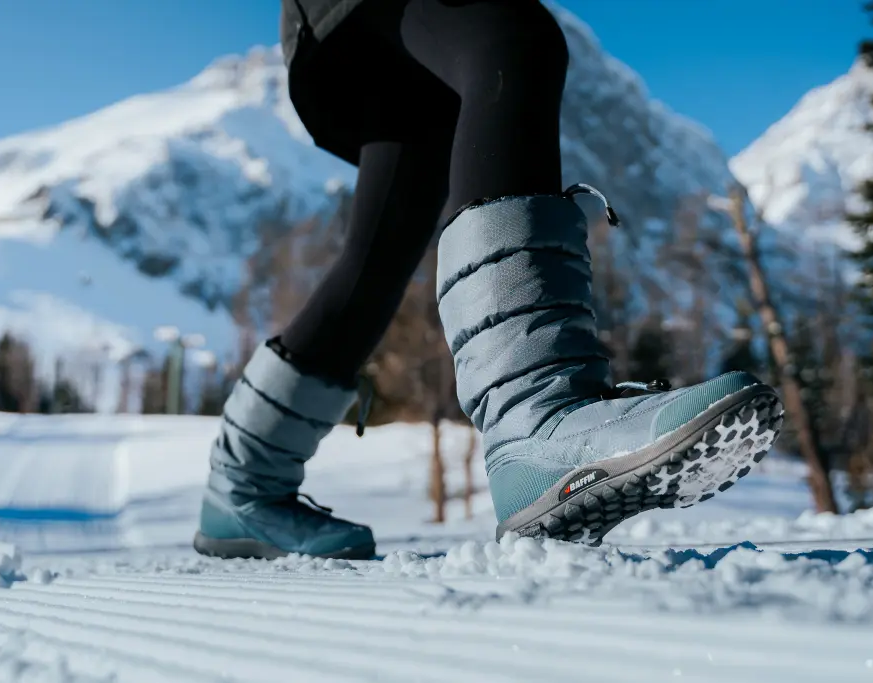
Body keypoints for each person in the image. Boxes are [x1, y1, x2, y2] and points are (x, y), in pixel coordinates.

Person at [193, 0, 784, 560]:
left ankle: (241, 489)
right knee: (512, 42)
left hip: (343, 38)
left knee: (377, 255)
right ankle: (538, 422)